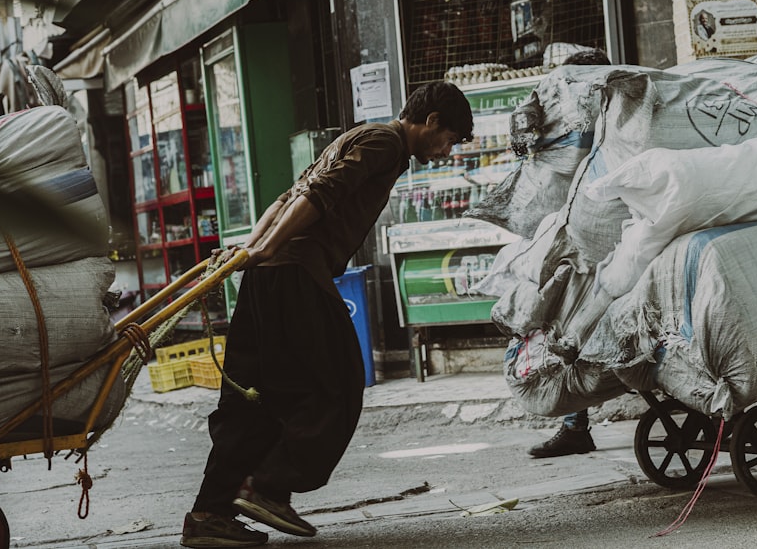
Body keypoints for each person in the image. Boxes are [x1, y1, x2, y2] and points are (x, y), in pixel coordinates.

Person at [181, 81, 474, 548]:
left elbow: (286, 196)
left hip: (271, 273)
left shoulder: (362, 138)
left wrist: (254, 251)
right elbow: (314, 196)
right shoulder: (384, 141)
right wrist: (264, 250)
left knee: (254, 397)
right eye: (450, 139)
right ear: (432, 120)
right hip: (296, 273)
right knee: (337, 384)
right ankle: (268, 487)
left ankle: (208, 514)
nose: (445, 150)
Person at [527, 47, 611, 460]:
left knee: (580, 324)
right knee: (569, 327)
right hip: (580, 234)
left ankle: (576, 424)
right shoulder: (568, 118)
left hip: (608, 237)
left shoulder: (617, 109)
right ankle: (575, 423)